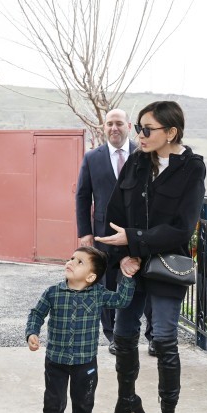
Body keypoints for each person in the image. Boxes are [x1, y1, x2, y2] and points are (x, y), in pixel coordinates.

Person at [96, 100, 205, 413]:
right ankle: (126, 400)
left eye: (147, 129)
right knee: (123, 336)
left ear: (171, 132)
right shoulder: (136, 162)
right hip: (132, 266)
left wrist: (135, 240)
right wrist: (123, 256)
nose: (139, 135)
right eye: (138, 128)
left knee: (164, 339)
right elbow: (113, 213)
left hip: (166, 267)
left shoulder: (192, 168)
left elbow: (182, 229)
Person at [25, 246, 135, 413]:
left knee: (84, 399)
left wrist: (128, 277)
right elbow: (37, 313)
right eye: (72, 258)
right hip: (56, 359)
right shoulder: (53, 292)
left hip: (85, 361)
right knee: (53, 400)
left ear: (91, 277)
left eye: (79, 262)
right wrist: (32, 332)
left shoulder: (98, 294)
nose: (71, 262)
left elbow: (122, 300)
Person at [75, 109, 136, 355]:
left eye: (119, 123)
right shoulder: (92, 158)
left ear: (128, 126)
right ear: (104, 127)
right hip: (103, 234)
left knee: (142, 281)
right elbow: (82, 196)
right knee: (107, 285)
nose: (114, 128)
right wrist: (84, 232)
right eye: (109, 123)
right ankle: (112, 335)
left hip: (136, 232)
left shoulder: (142, 154)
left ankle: (152, 336)